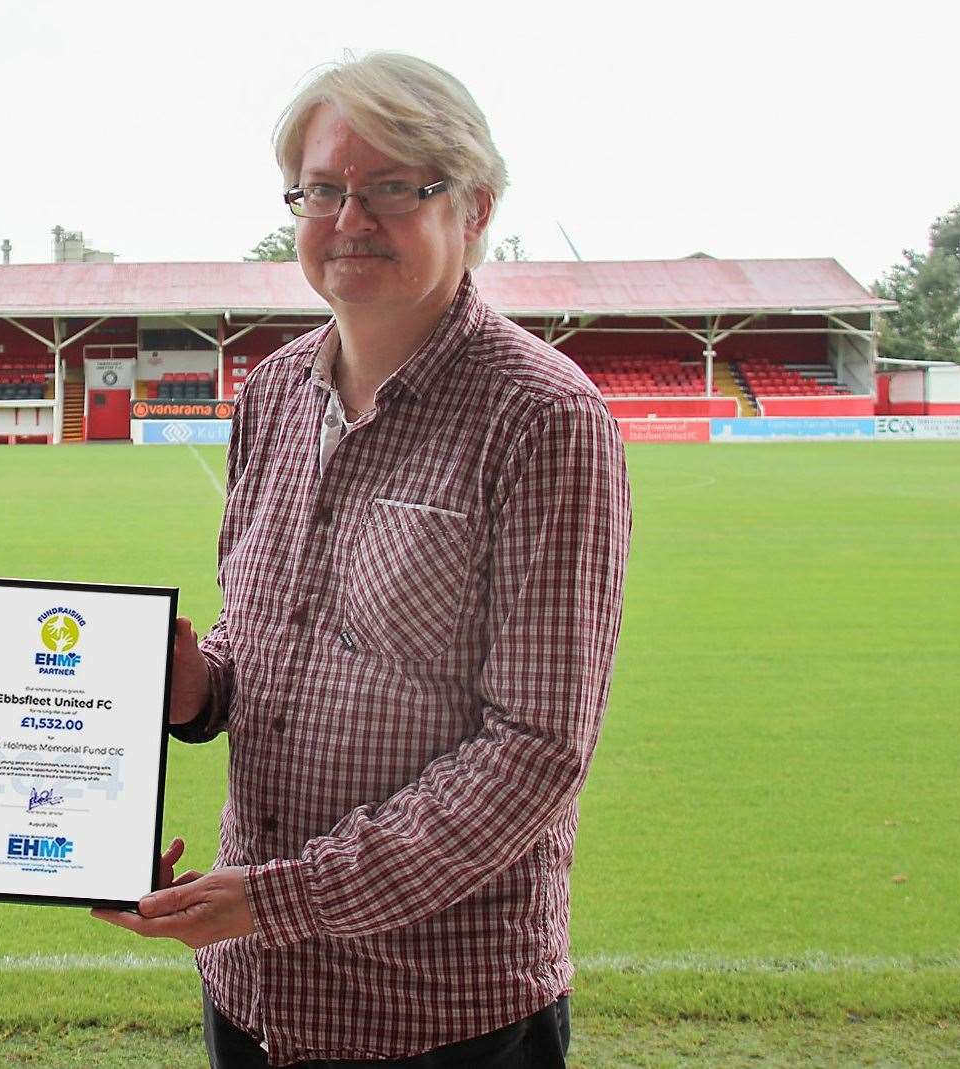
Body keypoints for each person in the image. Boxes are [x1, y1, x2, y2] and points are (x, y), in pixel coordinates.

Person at [97, 53, 632, 1068]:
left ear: (471, 208)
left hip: (437, 1014)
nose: (349, 219)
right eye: (323, 189)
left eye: (392, 187)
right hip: (251, 993)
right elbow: (262, 637)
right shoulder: (271, 391)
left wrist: (281, 898)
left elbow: (533, 750)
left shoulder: (541, 417)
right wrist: (196, 687)